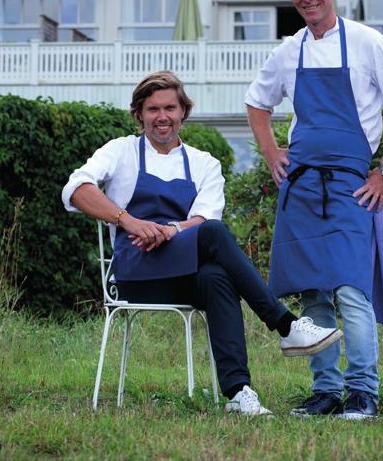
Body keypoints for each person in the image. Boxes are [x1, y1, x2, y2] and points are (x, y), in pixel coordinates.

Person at [63, 71, 341, 416]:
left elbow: (202, 218)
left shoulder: (203, 163)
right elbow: (75, 190)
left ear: (183, 112)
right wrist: (129, 221)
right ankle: (285, 325)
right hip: (135, 277)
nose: (162, 117)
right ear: (139, 114)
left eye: (169, 108)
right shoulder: (120, 152)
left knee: (216, 276)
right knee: (213, 233)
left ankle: (239, 392)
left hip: (182, 273)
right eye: (152, 109)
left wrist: (170, 230)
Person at [245, 0, 383, 420]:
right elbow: (257, 103)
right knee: (312, 293)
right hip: (301, 186)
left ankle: (363, 391)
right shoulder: (289, 51)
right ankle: (326, 391)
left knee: (350, 289)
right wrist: (271, 153)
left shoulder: (368, 43)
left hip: (352, 187)